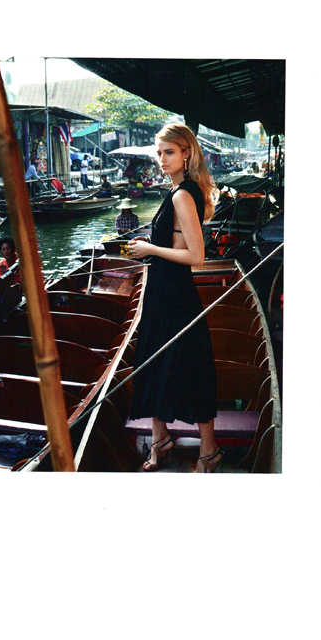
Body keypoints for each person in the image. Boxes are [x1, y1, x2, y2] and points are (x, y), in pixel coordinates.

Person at [127, 123, 221, 473]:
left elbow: (197, 256)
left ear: (186, 153)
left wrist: (150, 249)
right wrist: (150, 245)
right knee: (156, 362)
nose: (162, 159)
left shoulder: (182, 195)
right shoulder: (179, 191)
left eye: (169, 152)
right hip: (163, 291)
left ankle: (209, 452)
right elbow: (177, 244)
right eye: (159, 153)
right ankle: (161, 440)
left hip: (175, 295)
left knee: (189, 366)